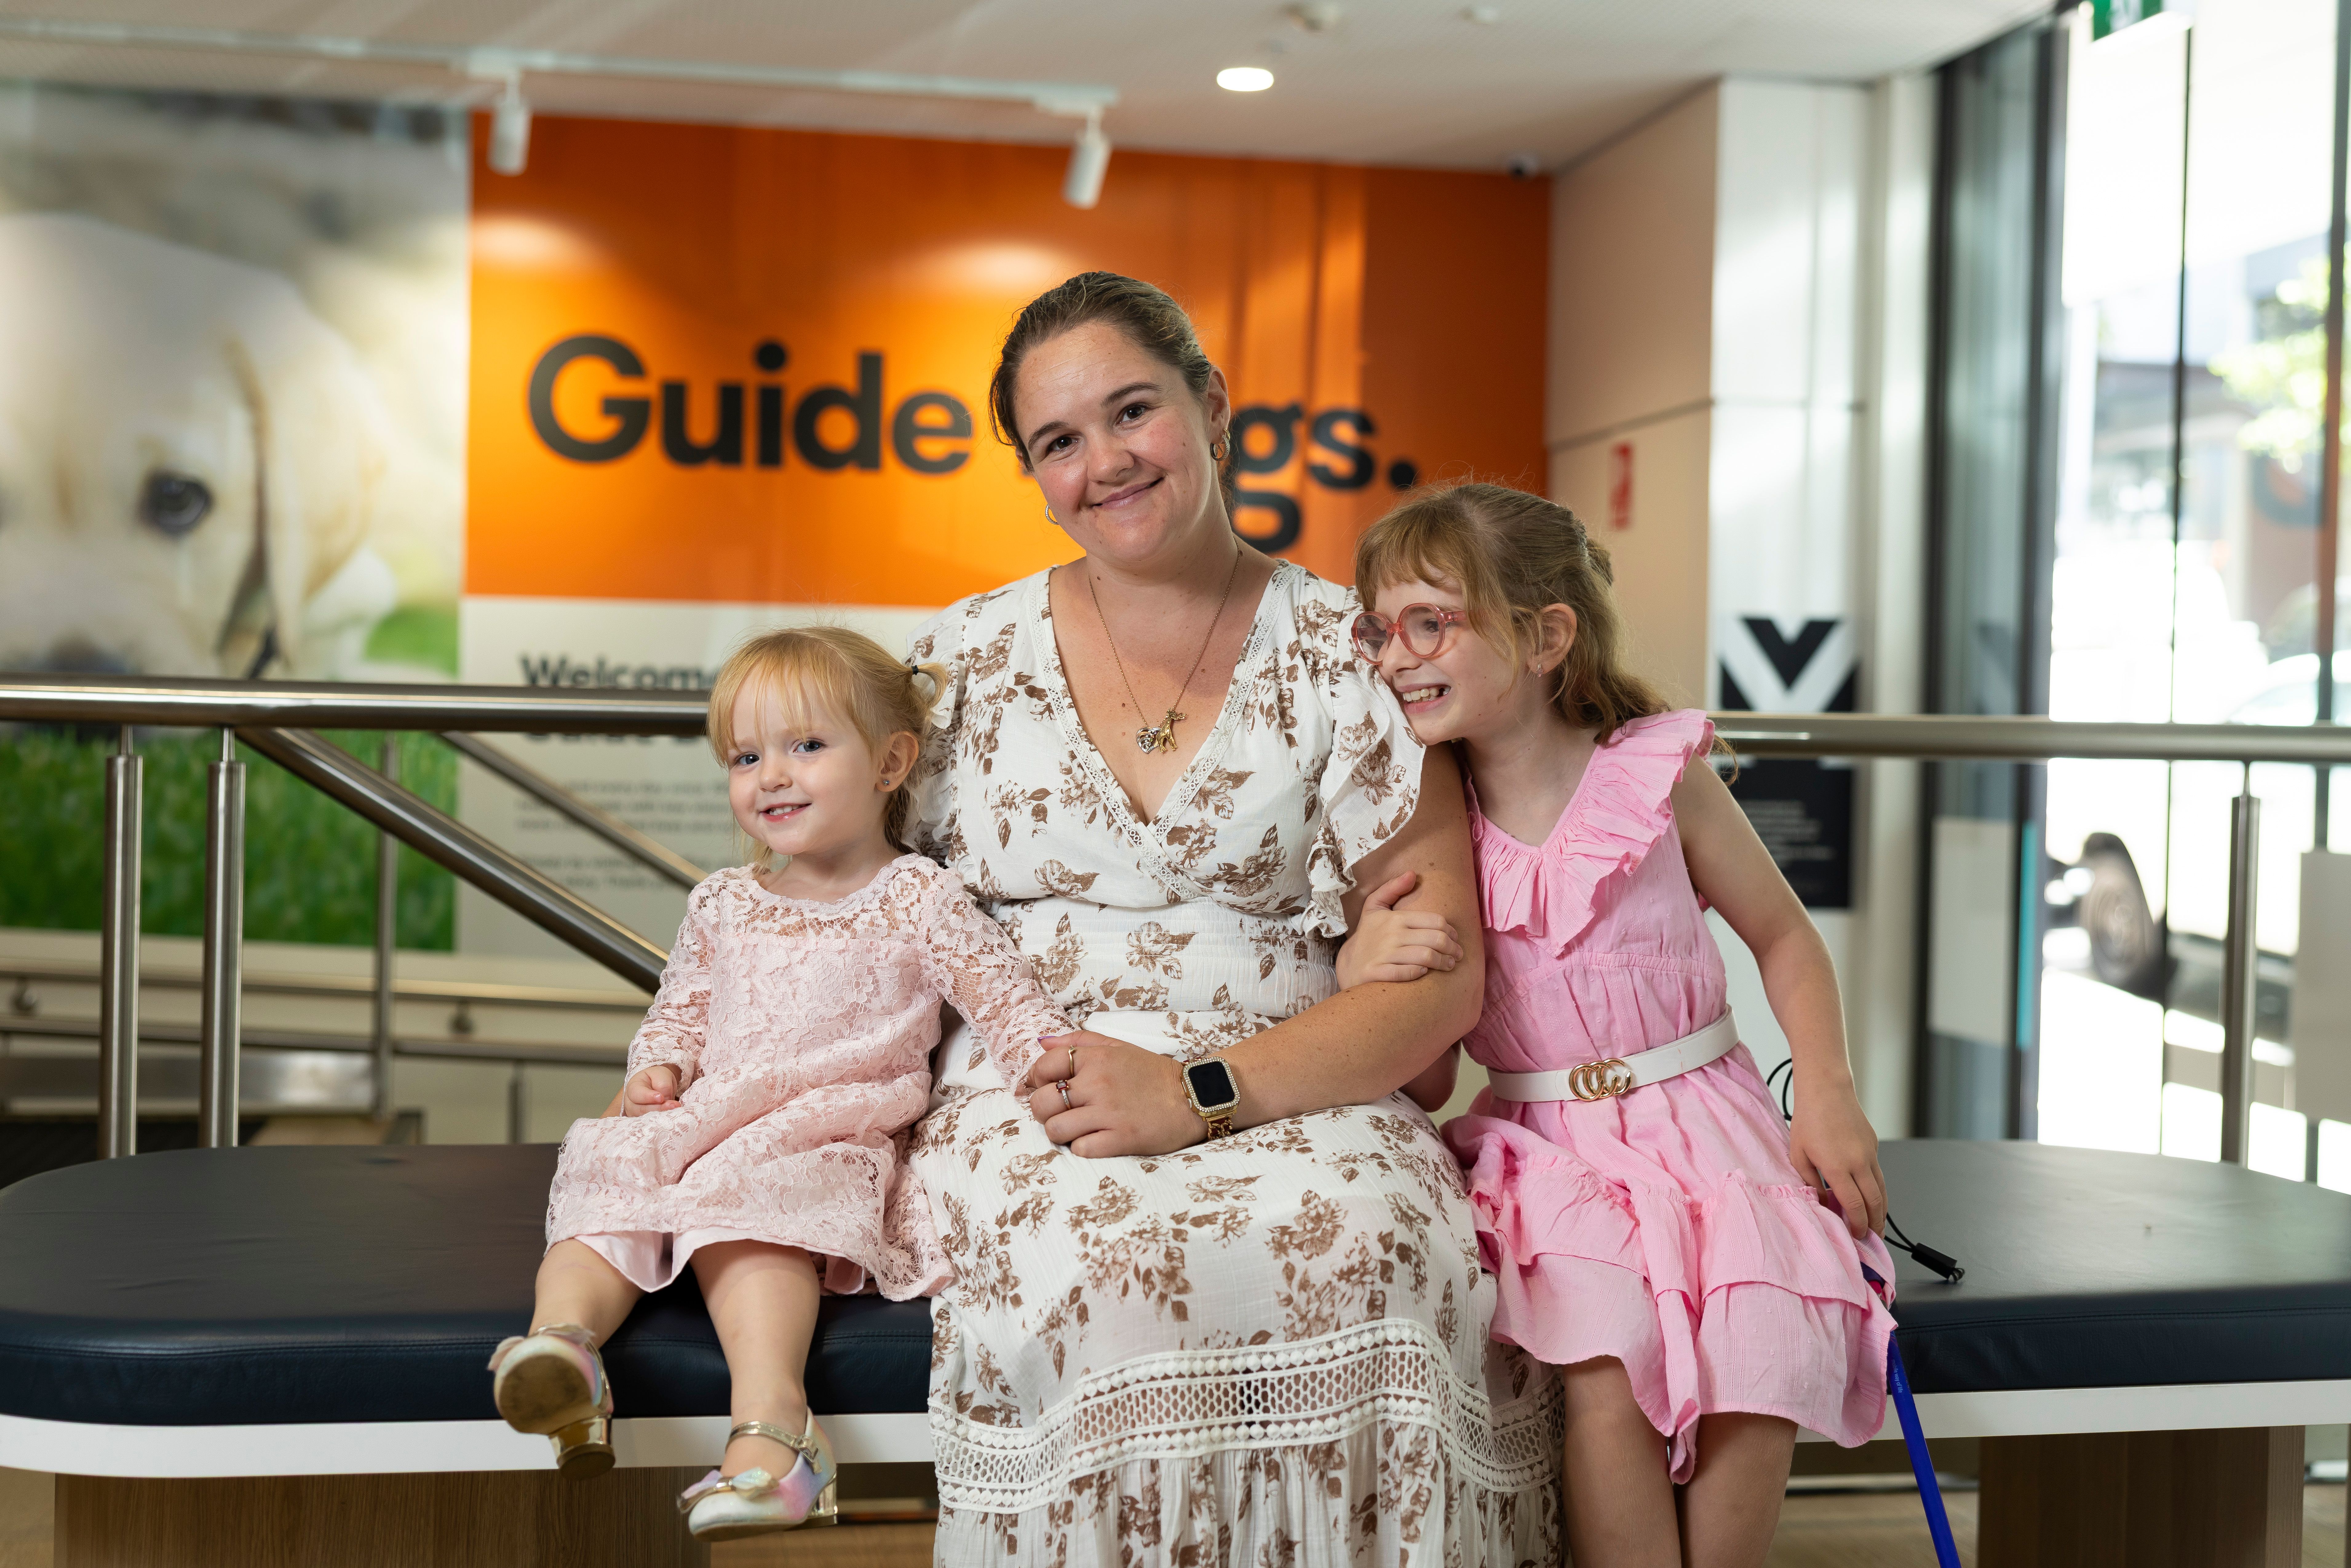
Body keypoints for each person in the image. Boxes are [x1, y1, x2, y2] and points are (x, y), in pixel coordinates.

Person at [903, 273, 1562, 1566]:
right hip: (1042, 1085)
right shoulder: (958, 662)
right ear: (1032, 473)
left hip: (1295, 1075)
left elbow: (1436, 986)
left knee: (1384, 1245)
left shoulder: (1349, 656)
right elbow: (857, 903)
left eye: (1131, 410)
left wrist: (1200, 1089)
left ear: (1211, 409)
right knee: (1100, 1269)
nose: (1105, 462)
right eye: (1058, 441)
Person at [1351, 482, 1897, 1568]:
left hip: (1717, 1123)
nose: (1395, 655)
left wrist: (1828, 1091)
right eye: (1379, 627)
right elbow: (1422, 1082)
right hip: (1550, 1153)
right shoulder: (1429, 827)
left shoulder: (1658, 773)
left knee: (1763, 1349)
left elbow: (1786, 937)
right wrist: (1369, 969)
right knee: (1608, 1360)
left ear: (1547, 635)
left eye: (1432, 621)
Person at [487, 627, 1071, 1542]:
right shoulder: (725, 900)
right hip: (710, 1109)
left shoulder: (920, 896)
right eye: (746, 756)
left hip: (825, 1128)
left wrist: (1054, 1069)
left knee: (750, 1207)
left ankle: (775, 1431)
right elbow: (678, 1009)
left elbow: (1006, 1000)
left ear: (891, 761)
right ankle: (562, 1349)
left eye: (806, 746)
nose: (771, 776)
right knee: (607, 1166)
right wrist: (660, 1068)